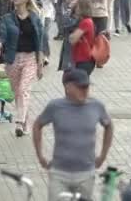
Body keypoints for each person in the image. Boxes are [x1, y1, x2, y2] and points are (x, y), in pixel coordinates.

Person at [33, 68, 113, 201]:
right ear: (68, 87)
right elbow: (37, 125)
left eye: (87, 87)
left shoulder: (96, 106)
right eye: (81, 87)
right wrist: (40, 155)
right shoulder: (55, 106)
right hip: (59, 174)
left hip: (86, 174)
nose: (85, 91)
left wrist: (103, 155)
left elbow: (109, 125)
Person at [0, 0, 44, 137]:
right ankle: (25, 125)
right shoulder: (7, 18)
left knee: (23, 90)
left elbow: (40, 41)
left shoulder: (34, 18)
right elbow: (2, 33)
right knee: (18, 94)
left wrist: (40, 63)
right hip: (13, 59)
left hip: (30, 58)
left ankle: (19, 122)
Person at [32, 0, 58, 66]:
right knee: (36, 34)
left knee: (44, 34)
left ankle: (46, 55)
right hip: (34, 11)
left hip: (47, 12)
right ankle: (37, 55)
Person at [69, 0, 96, 75]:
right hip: (83, 58)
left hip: (83, 58)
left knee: (79, 84)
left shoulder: (85, 22)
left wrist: (71, 35)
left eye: (77, 6)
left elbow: (72, 39)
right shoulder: (87, 21)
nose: (76, 9)